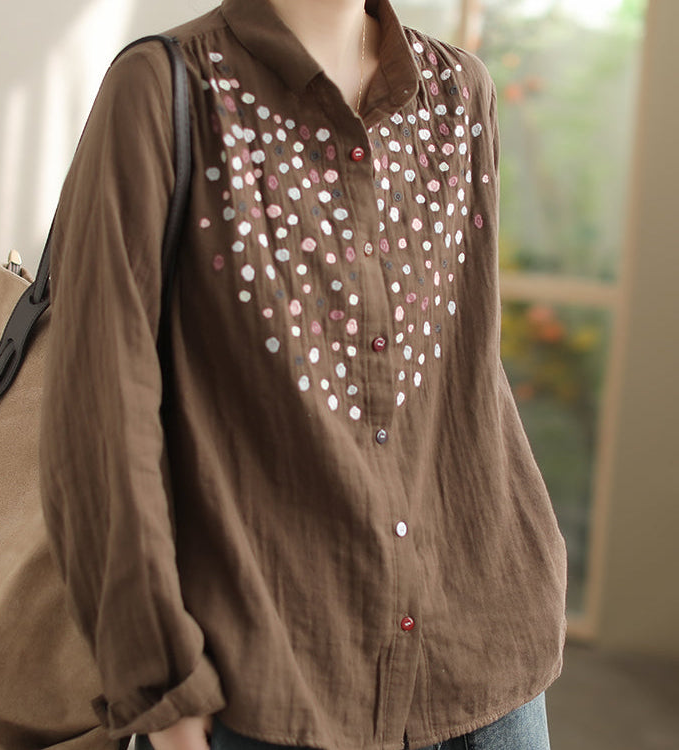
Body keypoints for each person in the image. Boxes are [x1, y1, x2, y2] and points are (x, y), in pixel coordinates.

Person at [39, 0, 568, 749]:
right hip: (274, 674)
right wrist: (162, 689)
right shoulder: (167, 89)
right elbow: (100, 414)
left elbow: (468, 369)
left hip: (484, 650)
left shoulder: (459, 94)